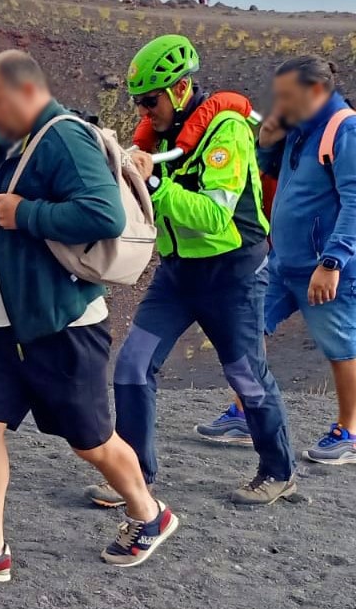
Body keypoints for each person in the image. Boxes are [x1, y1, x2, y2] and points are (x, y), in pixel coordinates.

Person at [0, 50, 177, 582]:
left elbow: (102, 212)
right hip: (8, 324)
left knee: (93, 441)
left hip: (63, 327)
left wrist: (26, 214)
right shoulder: (20, 144)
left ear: (25, 93)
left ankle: (149, 514)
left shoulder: (63, 135)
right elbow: (11, 202)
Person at [97, 35, 295, 509]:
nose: (146, 112)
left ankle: (278, 471)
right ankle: (136, 476)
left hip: (233, 274)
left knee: (246, 375)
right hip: (179, 275)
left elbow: (211, 216)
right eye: (140, 104)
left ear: (181, 89)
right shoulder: (162, 135)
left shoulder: (225, 130)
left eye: (151, 101)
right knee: (131, 366)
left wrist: (153, 184)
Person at [252, 56, 356, 464]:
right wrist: (267, 142)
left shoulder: (348, 130)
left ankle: (349, 435)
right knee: (247, 327)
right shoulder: (300, 128)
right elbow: (273, 175)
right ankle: (246, 412)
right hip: (284, 261)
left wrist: (332, 262)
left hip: (327, 269)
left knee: (341, 347)